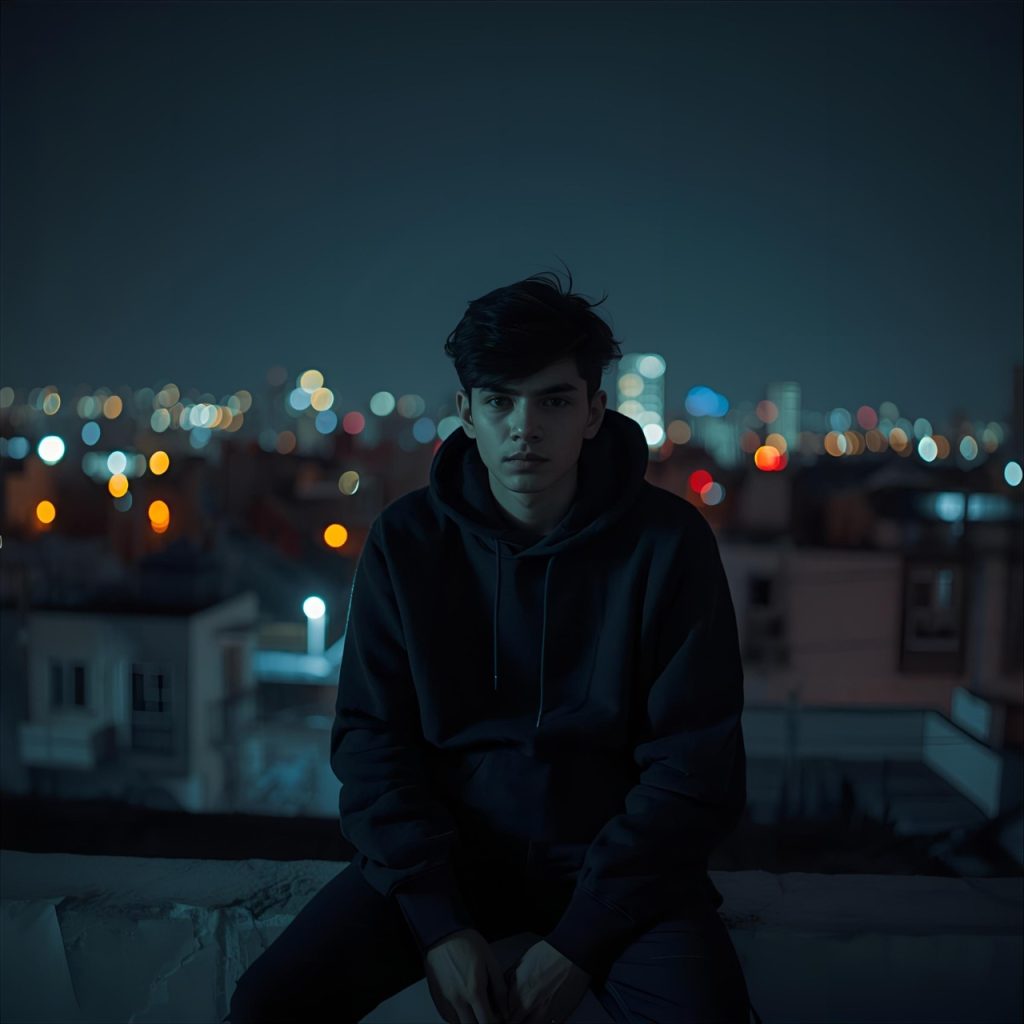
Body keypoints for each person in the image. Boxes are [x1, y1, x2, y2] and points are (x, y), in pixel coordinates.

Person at [226, 266, 761, 1023]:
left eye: (553, 400)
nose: (524, 427)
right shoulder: (406, 543)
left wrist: (581, 940)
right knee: (263, 1008)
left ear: (594, 411)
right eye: (500, 401)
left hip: (617, 873)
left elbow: (694, 768)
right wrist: (438, 923)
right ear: (467, 413)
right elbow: (372, 742)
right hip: (446, 862)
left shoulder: (668, 547)